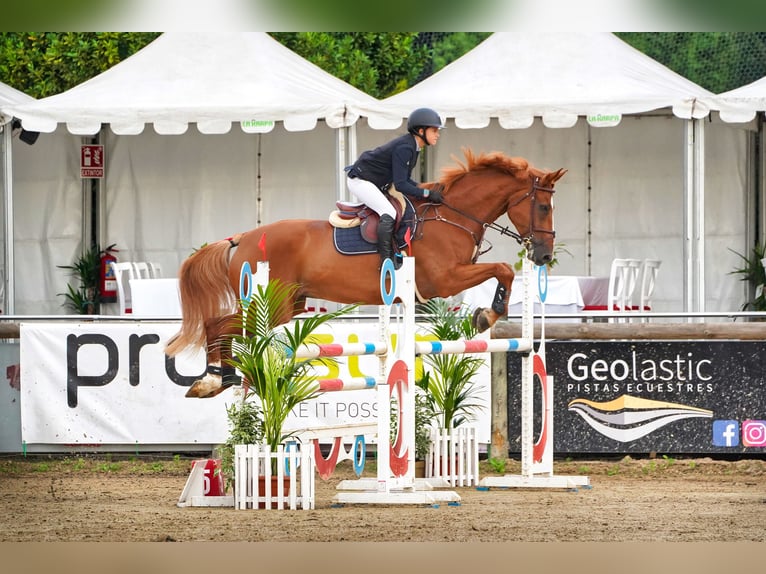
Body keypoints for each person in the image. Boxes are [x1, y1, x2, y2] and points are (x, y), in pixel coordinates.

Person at [345, 107, 445, 268]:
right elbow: (401, 185)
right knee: (389, 212)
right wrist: (426, 193)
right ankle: (386, 260)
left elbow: (405, 179)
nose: (437, 134)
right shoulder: (405, 148)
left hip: (374, 182)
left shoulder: (414, 146)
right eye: (434, 130)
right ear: (421, 131)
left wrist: (426, 191)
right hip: (360, 181)